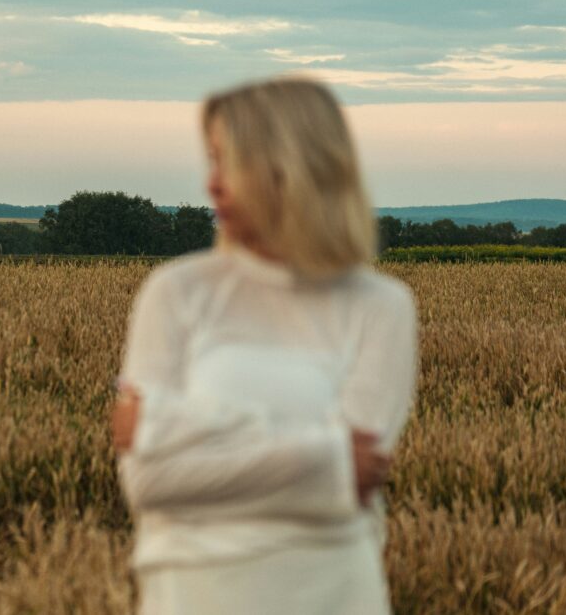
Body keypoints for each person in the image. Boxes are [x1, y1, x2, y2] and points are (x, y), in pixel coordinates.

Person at [111, 76, 419, 615]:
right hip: (189, 597)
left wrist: (170, 425)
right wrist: (323, 457)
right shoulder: (175, 292)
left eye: (229, 163)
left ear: (290, 170)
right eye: (209, 162)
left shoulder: (381, 306)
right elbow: (147, 482)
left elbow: (354, 486)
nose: (211, 185)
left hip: (331, 595)